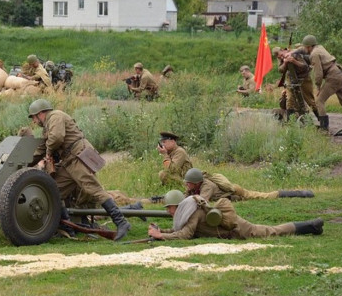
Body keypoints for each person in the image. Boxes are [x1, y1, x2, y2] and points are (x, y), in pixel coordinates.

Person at [28, 99, 130, 241]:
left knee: (93, 189)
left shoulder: (55, 116)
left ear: (40, 113)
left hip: (77, 157)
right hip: (69, 162)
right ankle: (67, 228)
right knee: (53, 190)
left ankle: (121, 222)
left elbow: (56, 138)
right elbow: (44, 145)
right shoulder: (48, 125)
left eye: (33, 117)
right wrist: (26, 163)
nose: (34, 121)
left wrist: (48, 153)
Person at [147, 190, 324, 240]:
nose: (168, 211)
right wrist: (161, 230)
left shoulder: (192, 213)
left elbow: (185, 234)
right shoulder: (188, 211)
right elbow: (183, 229)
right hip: (231, 228)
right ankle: (311, 225)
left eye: (169, 208)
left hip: (238, 229)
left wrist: (160, 235)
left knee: (272, 231)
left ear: (177, 206)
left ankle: (311, 226)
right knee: (271, 230)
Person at [301, 35, 342, 135]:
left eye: (305, 47)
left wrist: (318, 86)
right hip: (339, 73)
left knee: (319, 101)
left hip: (333, 77)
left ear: (308, 46)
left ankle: (324, 129)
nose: (304, 49)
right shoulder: (320, 48)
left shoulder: (314, 54)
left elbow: (318, 73)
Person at [183, 168, 314, 201]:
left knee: (263, 196)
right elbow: (186, 196)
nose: (187, 185)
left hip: (236, 191)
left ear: (197, 182)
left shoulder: (207, 186)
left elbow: (202, 201)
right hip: (230, 195)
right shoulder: (194, 185)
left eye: (189, 183)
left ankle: (296, 193)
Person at [272, 46, 319, 120]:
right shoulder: (281, 58)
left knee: (310, 101)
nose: (281, 57)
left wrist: (294, 61)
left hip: (304, 78)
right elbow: (280, 70)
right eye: (279, 57)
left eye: (281, 55)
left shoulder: (295, 53)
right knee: (290, 100)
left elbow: (305, 66)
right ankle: (290, 122)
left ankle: (322, 122)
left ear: (283, 50)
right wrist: (285, 62)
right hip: (291, 78)